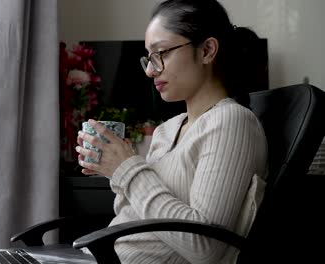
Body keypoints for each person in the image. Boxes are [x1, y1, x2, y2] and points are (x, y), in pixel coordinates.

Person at [75, 0, 268, 263]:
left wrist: (127, 169)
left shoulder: (231, 121)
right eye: (148, 57)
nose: (150, 70)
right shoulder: (167, 130)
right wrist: (114, 170)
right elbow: (133, 222)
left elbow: (204, 246)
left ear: (207, 51)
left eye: (161, 53)